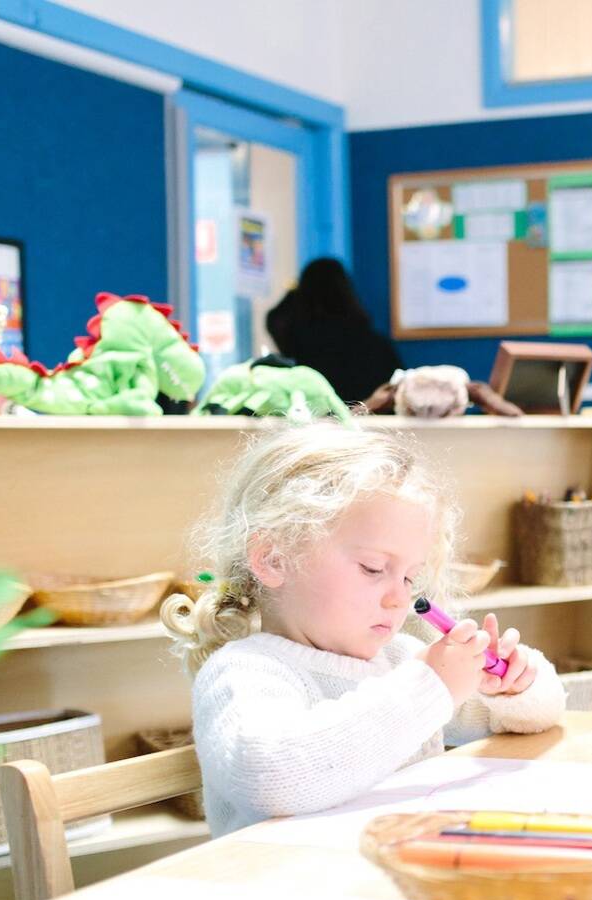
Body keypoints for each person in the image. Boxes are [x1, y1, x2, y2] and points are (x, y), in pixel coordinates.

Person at [162, 422, 565, 835]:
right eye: (373, 569)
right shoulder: (244, 673)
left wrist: (515, 685)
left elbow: (539, 715)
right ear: (275, 559)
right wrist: (430, 687)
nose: (399, 599)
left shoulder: (400, 659)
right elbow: (273, 778)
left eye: (410, 578)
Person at [266, 258, 404, 405]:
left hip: (312, 425)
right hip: (370, 424)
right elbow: (396, 393)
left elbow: (274, 319)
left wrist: (293, 291)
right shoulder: (375, 345)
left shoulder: (299, 345)